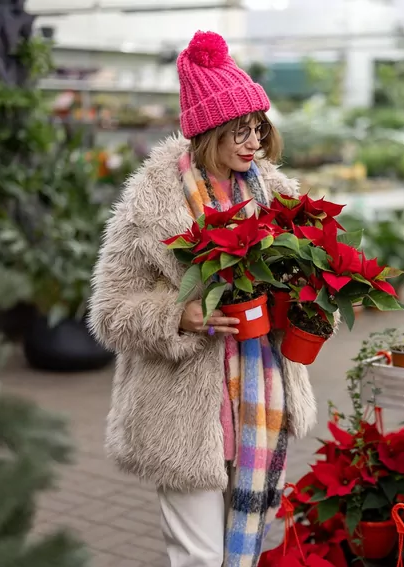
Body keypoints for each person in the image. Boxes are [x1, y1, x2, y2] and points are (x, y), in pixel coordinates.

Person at [87, 30, 319, 567]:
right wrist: (179, 316)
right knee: (197, 557)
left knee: (247, 549)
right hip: (184, 417)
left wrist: (307, 300)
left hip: (261, 403)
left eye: (258, 127)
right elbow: (110, 311)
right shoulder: (152, 200)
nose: (253, 142)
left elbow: (304, 282)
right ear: (208, 132)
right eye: (239, 130)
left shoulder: (278, 197)